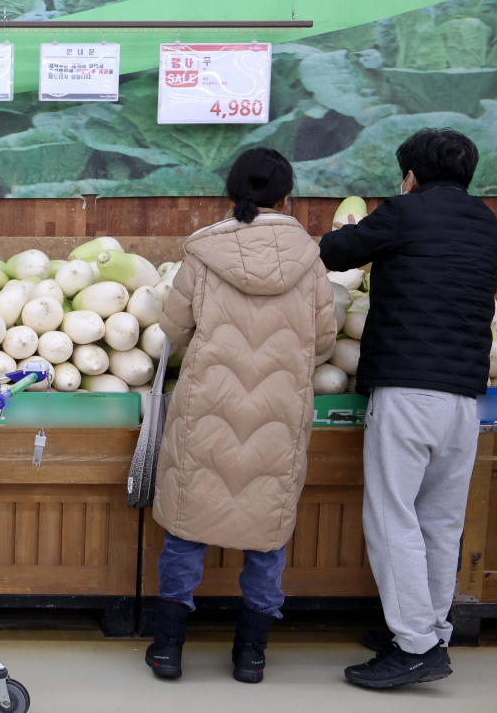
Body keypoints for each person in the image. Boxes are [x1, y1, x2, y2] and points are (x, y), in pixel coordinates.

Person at [320, 128, 497, 688]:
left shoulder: (404, 212)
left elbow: (333, 253)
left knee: (392, 516)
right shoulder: (488, 223)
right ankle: (428, 631)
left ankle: (415, 647)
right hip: (463, 397)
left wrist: (355, 227)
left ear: (411, 176)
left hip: (407, 389)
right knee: (441, 521)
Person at [148, 148, 338, 682]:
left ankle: (167, 649)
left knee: (186, 526)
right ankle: (251, 655)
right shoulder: (310, 259)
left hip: (208, 406)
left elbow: (174, 329)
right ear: (286, 196)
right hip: (280, 412)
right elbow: (324, 341)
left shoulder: (203, 253)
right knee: (267, 533)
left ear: (231, 192)